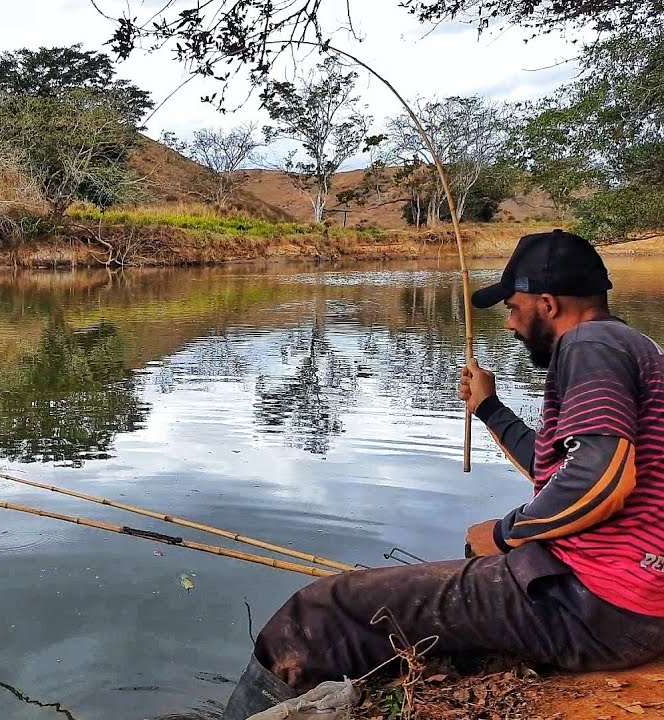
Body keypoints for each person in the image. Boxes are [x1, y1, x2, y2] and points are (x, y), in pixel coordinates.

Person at [223, 230, 664, 719]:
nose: (512, 323)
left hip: (599, 605)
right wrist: (489, 408)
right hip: (625, 599)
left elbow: (601, 478)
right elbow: (559, 470)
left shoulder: (589, 344)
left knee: (321, 612)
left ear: (548, 304)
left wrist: (504, 533)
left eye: (514, 308)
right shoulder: (629, 345)